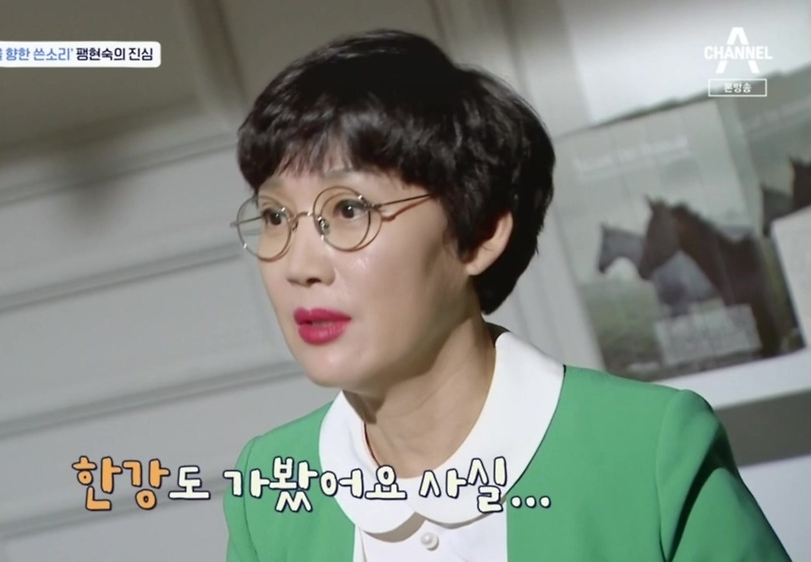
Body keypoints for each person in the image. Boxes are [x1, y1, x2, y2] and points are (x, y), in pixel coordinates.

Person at [222, 28, 789, 562]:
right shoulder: (268, 486)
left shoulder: (650, 448)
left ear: (481, 232)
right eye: (274, 216)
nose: (298, 265)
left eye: (349, 209)